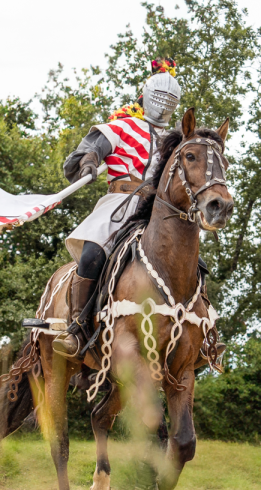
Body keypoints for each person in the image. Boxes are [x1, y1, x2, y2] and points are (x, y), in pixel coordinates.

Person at [53, 58, 181, 359]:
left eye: (170, 100)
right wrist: (88, 162)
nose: (163, 105)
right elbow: (90, 149)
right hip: (120, 201)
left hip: (158, 209)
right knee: (93, 252)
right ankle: (78, 327)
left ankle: (200, 331)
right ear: (147, 95)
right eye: (160, 97)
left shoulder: (176, 140)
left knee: (190, 259)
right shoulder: (121, 126)